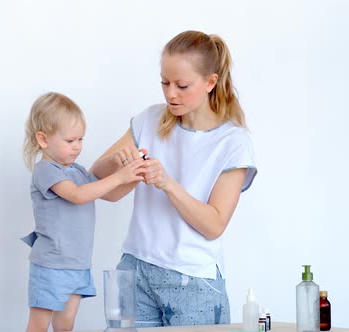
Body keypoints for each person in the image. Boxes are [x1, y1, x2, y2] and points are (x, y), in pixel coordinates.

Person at [90, 30, 258, 327]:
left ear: (210, 82)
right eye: (164, 83)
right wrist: (121, 166)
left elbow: (214, 225)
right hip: (135, 270)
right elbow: (100, 184)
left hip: (193, 282)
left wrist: (167, 183)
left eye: (182, 85)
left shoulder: (232, 142)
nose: (170, 94)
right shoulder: (149, 120)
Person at [21, 92, 145, 332]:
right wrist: (120, 175)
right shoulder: (45, 170)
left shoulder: (77, 171)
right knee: (38, 325)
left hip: (77, 265)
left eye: (80, 139)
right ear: (43, 140)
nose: (77, 146)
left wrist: (135, 175)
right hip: (51, 264)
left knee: (66, 324)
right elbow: (78, 196)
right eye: (70, 141)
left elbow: (108, 193)